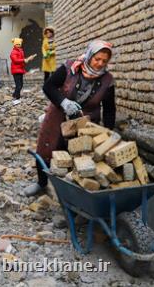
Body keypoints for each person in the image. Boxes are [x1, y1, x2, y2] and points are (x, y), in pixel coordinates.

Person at [24, 40, 116, 196]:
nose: (100, 64)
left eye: (104, 61)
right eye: (97, 59)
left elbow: (109, 109)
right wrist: (64, 102)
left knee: (79, 157)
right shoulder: (69, 68)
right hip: (58, 116)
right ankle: (42, 183)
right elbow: (48, 86)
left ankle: (72, 193)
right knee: (47, 147)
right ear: (89, 55)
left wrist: (108, 133)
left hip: (85, 123)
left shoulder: (108, 81)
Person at [10, 38, 35, 104]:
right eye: (16, 44)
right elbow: (15, 60)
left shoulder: (20, 51)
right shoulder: (13, 52)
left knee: (21, 84)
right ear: (14, 44)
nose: (18, 45)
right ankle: (17, 98)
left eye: (19, 44)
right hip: (16, 71)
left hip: (20, 70)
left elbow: (22, 61)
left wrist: (28, 59)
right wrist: (24, 60)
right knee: (18, 85)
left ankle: (14, 95)